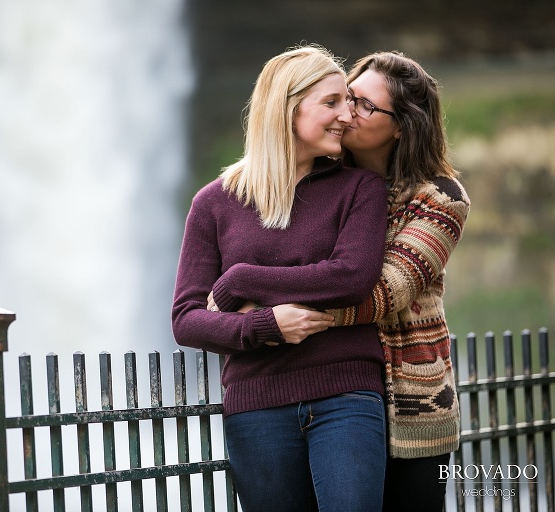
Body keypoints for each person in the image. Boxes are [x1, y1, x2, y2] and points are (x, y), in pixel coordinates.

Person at [210, 51, 470, 512]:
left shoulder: (439, 197)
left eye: (366, 106)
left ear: (402, 126)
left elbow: (383, 293)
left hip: (411, 403)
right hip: (341, 395)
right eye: (347, 98)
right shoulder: (322, 182)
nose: (349, 112)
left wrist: (269, 309)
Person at [171, 45, 389, 512]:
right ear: (287, 110)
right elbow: (187, 319)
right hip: (256, 407)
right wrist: (265, 327)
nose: (347, 116)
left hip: (346, 398)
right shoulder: (213, 203)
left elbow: (352, 277)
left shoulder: (361, 190)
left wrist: (243, 279)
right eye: (331, 103)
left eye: (349, 103)